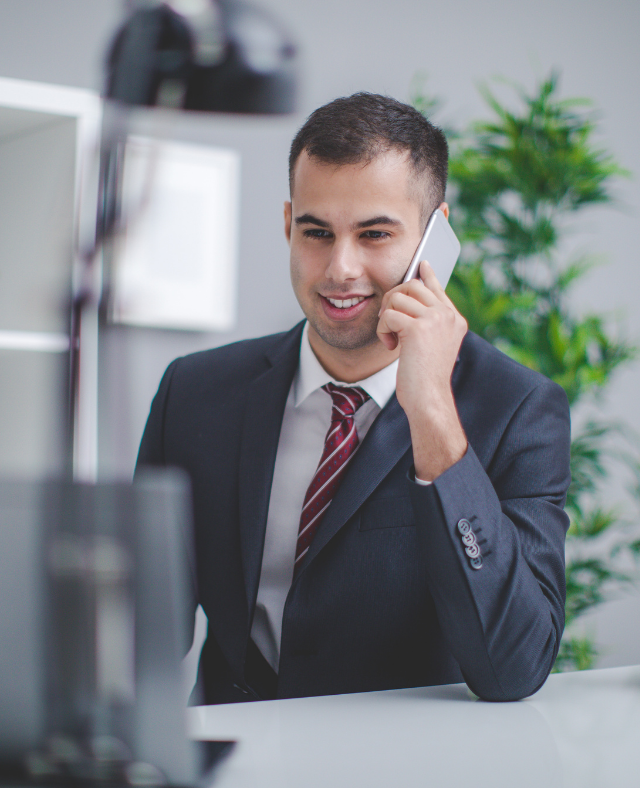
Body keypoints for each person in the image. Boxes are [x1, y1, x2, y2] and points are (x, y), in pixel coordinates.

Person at [137, 92, 570, 704]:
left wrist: (434, 418)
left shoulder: (519, 410)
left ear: (433, 240)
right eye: (317, 232)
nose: (340, 268)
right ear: (288, 225)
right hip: (233, 754)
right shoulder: (195, 392)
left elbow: (514, 668)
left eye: (374, 235)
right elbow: (143, 630)